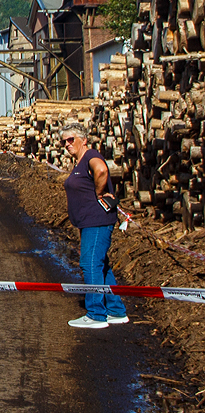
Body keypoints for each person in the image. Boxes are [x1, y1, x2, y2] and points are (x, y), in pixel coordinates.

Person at [60, 124, 128, 329]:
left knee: (89, 263)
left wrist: (99, 193)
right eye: (63, 141)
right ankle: (116, 310)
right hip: (89, 222)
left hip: (97, 221)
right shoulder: (80, 162)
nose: (67, 144)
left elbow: (102, 170)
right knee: (101, 265)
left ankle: (96, 314)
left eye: (71, 139)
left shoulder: (90, 156)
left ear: (84, 140)